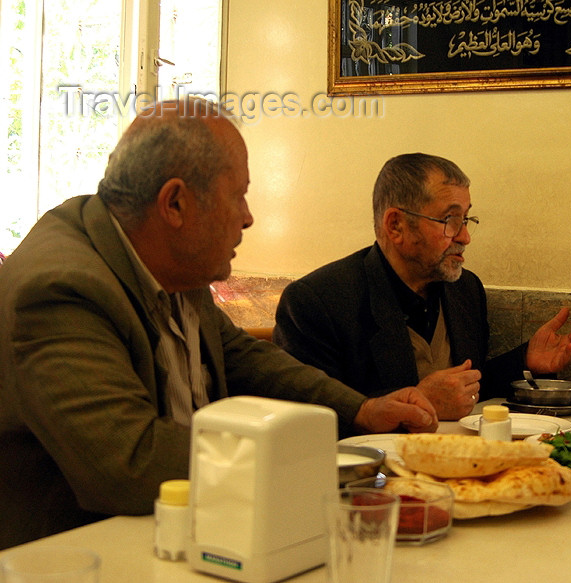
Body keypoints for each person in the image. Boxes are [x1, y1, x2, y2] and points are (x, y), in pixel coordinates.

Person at [0, 100, 438, 550]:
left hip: (192, 528)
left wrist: (363, 410)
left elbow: (240, 354)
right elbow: (131, 463)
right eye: (238, 196)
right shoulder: (60, 288)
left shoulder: (168, 258)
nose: (248, 217)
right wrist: (305, 458)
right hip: (83, 553)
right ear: (174, 203)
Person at [273, 153, 571, 421]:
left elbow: (465, 389)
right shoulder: (317, 302)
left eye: (467, 219)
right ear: (396, 225)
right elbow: (310, 418)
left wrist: (524, 362)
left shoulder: (465, 290)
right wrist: (413, 403)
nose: (465, 237)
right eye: (450, 220)